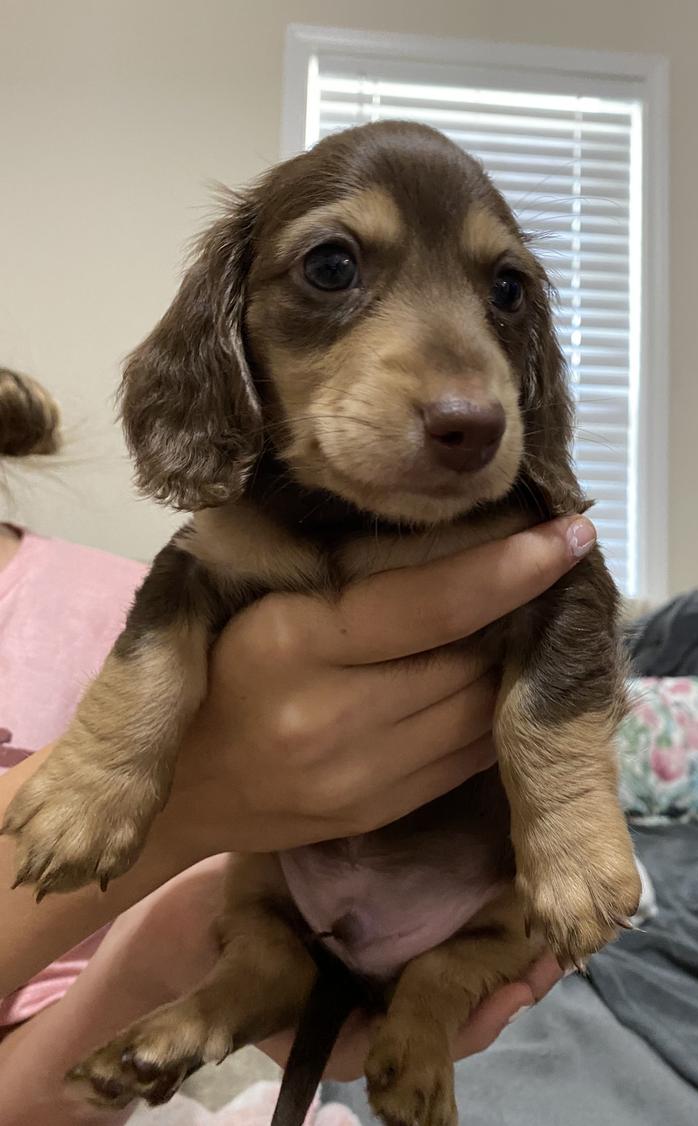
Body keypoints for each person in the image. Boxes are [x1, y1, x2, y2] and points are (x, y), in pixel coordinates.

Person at [0, 368, 595, 1123]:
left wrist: (168, 949)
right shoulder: (190, 583)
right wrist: (180, 801)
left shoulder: (96, 602)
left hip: (455, 888)